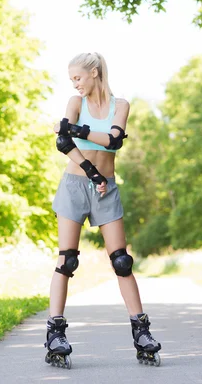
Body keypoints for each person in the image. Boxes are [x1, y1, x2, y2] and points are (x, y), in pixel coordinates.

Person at [44, 52, 161, 369]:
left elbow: (112, 141)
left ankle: (142, 333)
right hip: (75, 184)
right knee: (66, 259)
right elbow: (62, 144)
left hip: (106, 189)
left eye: (78, 77)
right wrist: (91, 171)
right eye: (72, 79)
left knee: (122, 262)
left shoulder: (119, 105)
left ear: (94, 73)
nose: (75, 84)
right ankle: (55, 333)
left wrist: (77, 130)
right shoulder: (75, 102)